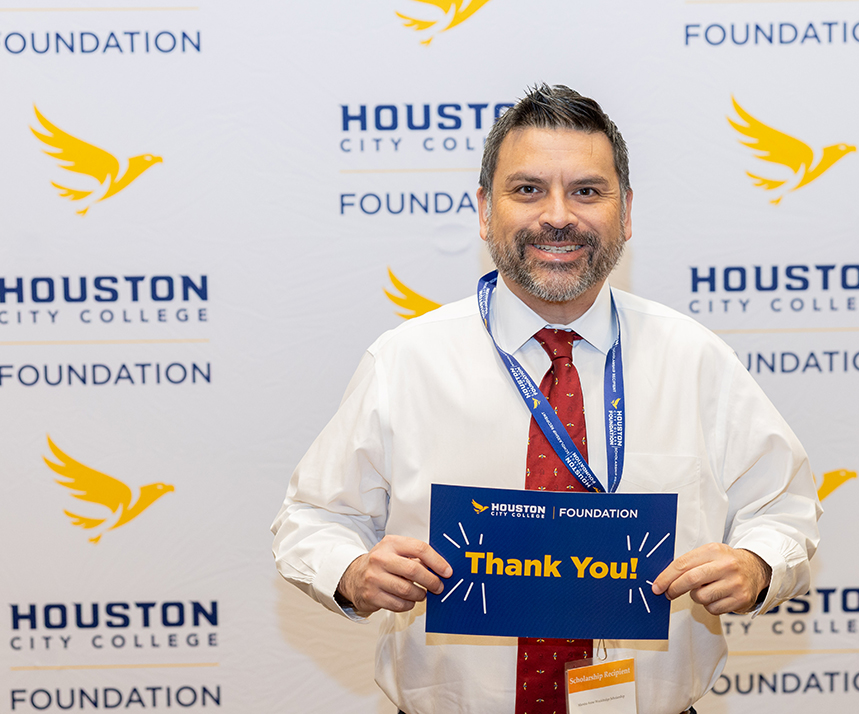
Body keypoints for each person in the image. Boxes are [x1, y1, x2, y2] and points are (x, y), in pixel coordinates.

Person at [272, 83, 820, 714]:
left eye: (587, 191)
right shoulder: (406, 361)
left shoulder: (695, 360)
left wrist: (755, 564)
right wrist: (350, 572)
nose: (558, 216)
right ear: (484, 210)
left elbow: (784, 508)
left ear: (628, 211)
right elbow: (311, 518)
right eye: (527, 189)